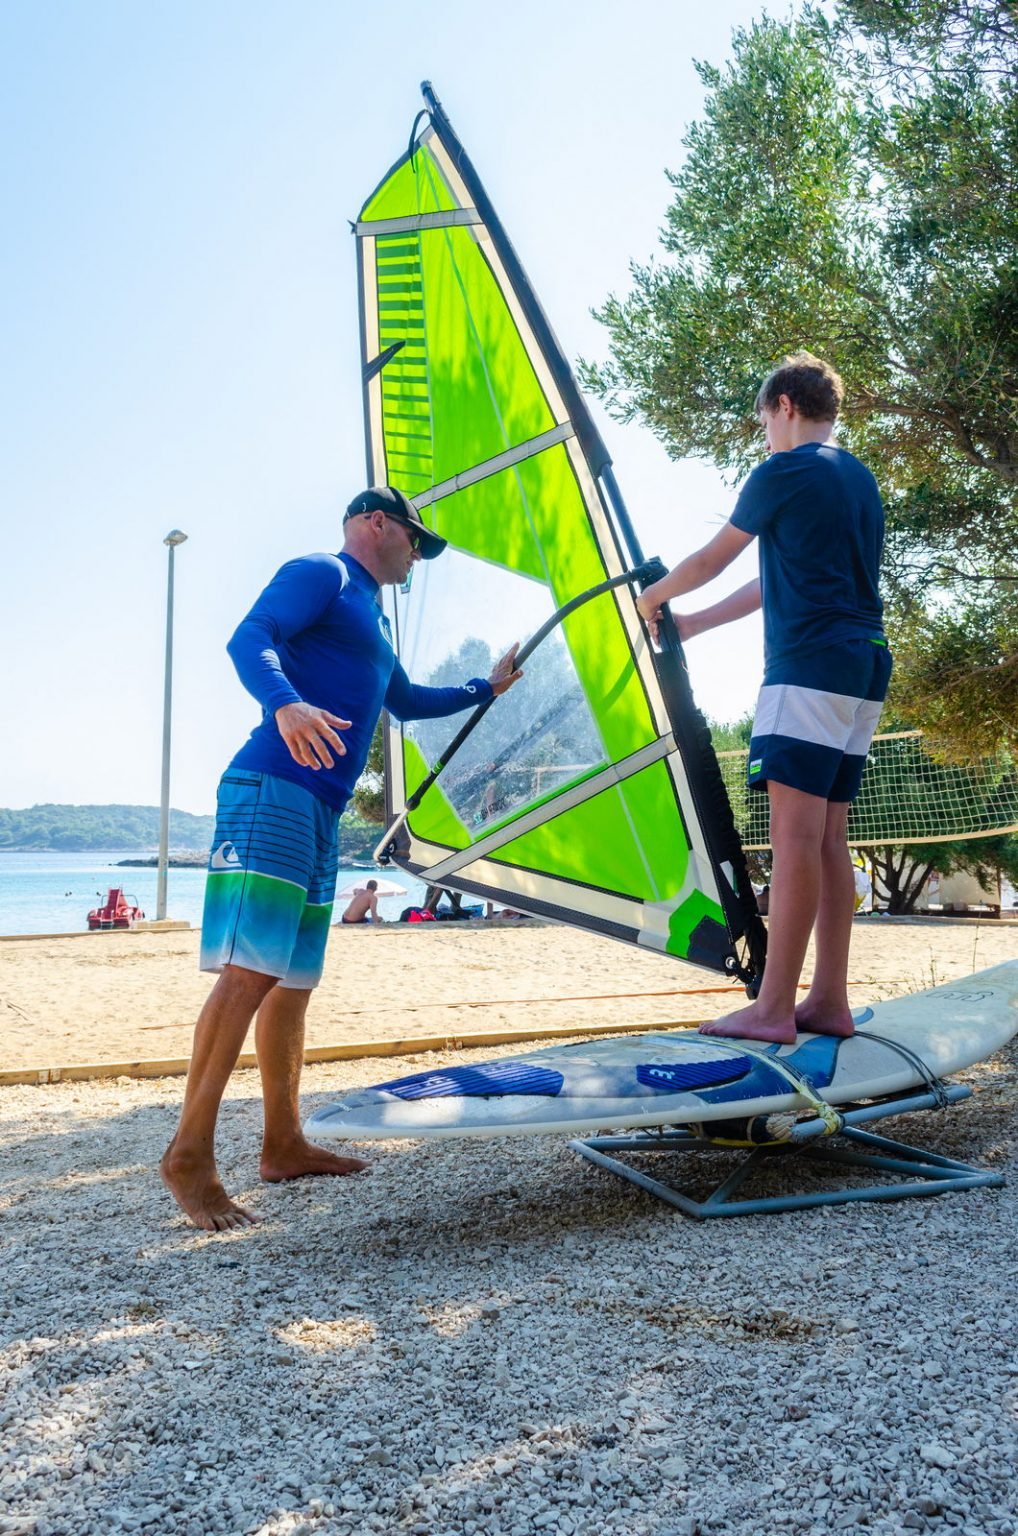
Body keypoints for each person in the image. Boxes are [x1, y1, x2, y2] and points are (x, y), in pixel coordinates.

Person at [161, 485, 523, 1231]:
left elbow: (407, 700)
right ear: (374, 524)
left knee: (291, 983)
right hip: (273, 787)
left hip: (318, 808)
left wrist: (486, 686)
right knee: (252, 970)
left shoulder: (371, 619)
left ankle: (283, 1144)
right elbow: (249, 636)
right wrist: (284, 703)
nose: (418, 556)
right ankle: (189, 1154)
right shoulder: (322, 572)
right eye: (414, 541)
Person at [637, 353, 891, 1044]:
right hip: (864, 664)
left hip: (807, 666)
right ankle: (828, 1001)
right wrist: (692, 622)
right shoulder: (857, 478)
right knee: (830, 837)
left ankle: (774, 1006)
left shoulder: (784, 470)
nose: (765, 438)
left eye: (764, 424)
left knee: (795, 839)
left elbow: (712, 559)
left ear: (783, 405)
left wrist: (654, 597)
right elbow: (773, 582)